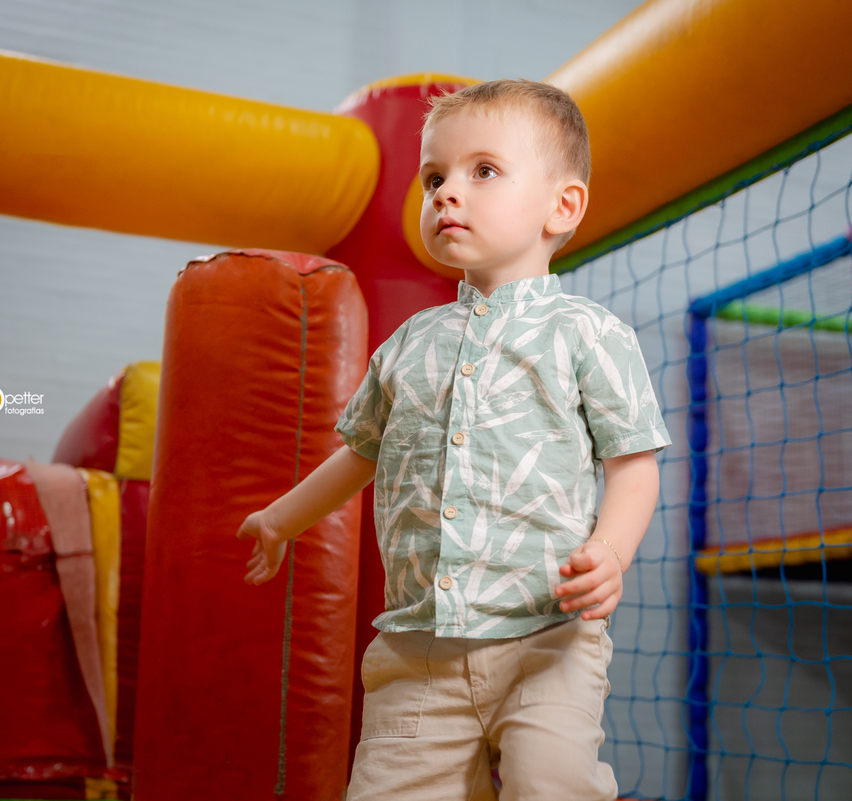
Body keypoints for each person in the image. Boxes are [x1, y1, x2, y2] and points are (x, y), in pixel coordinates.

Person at [237, 79, 670, 801]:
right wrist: (282, 518)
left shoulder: (588, 334)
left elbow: (634, 466)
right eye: (433, 177)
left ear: (561, 206)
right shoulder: (409, 344)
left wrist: (612, 552)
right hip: (420, 649)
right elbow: (360, 454)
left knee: (551, 782)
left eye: (483, 171)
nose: (445, 194)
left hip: (548, 637)